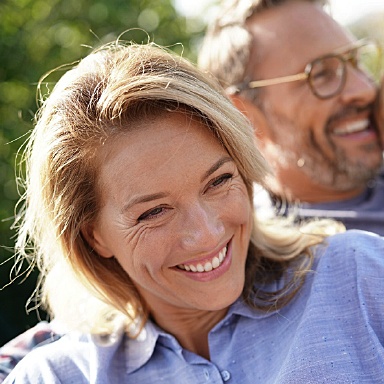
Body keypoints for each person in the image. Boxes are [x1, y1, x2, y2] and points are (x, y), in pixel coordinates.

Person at [2, 40, 384, 384]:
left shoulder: (359, 277)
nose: (205, 234)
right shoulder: (54, 377)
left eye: (218, 182)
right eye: (153, 212)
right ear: (93, 236)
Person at [198, 0, 384, 235]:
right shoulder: (279, 261)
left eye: (356, 61)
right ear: (244, 116)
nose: (365, 90)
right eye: (322, 74)